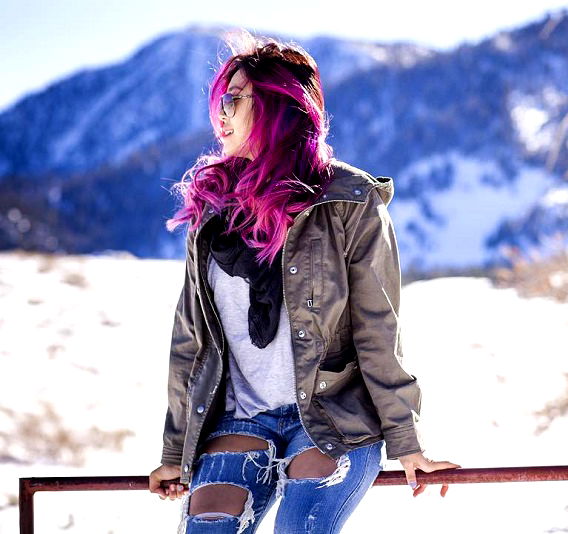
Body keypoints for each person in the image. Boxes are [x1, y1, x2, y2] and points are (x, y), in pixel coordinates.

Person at [147, 30, 460, 533]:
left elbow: (378, 328)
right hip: (240, 418)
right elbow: (192, 338)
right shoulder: (211, 213)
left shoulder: (349, 201)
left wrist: (407, 442)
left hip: (331, 417)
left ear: (276, 107)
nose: (220, 115)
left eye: (233, 99)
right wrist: (174, 450)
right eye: (219, 100)